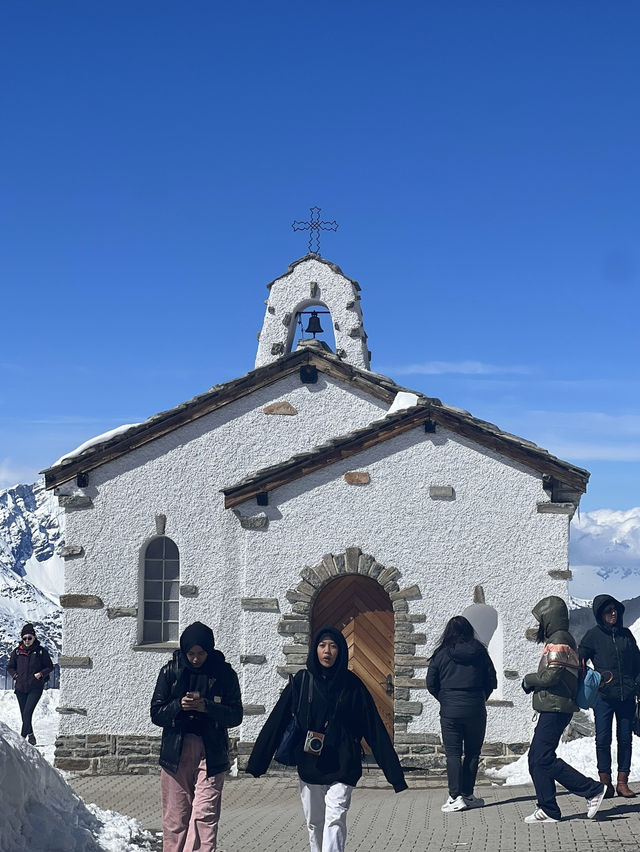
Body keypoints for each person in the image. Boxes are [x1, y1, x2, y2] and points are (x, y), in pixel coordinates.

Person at [246, 625, 407, 852]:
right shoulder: (302, 681)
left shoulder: (352, 685)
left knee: (335, 818)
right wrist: (257, 763)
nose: (327, 651)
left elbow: (374, 729)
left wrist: (395, 776)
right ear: (315, 649)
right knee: (315, 823)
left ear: (341, 650)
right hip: (310, 763)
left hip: (344, 763)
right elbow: (277, 721)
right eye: (322, 645)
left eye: (333, 646)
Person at [150, 621, 243, 852]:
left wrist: (207, 707)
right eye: (191, 653)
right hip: (176, 750)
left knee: (204, 813)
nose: (195, 659)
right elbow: (156, 713)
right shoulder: (170, 671)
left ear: (209, 650)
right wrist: (178, 705)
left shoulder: (224, 674)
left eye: (201, 653)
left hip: (211, 750)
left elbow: (236, 715)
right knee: (176, 817)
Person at [522, 596, 605, 823]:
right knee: (537, 758)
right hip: (555, 706)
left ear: (550, 618)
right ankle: (548, 808)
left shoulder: (559, 639)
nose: (539, 625)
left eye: (541, 620)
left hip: (556, 707)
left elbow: (552, 675)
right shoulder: (561, 639)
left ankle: (592, 790)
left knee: (541, 757)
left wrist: (529, 680)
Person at [426, 615, 497, 812]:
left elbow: (431, 683)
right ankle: (468, 794)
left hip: (450, 711)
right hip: (476, 709)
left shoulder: (441, 653)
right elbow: (492, 680)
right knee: (473, 753)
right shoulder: (480, 652)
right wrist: (480, 698)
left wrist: (445, 698)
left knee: (453, 754)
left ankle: (455, 797)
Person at [578, 594, 640, 798]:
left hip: (627, 696)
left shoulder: (626, 635)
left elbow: (637, 662)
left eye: (615, 610)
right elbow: (580, 660)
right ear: (600, 614)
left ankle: (622, 783)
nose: (613, 613)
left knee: (625, 740)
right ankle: (605, 784)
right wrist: (592, 678)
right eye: (608, 611)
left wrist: (637, 684)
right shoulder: (593, 636)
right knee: (603, 740)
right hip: (603, 697)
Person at [7, 623, 53, 745]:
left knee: (27, 713)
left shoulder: (41, 652)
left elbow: (50, 666)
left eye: (29, 638)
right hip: (20, 688)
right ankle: (31, 735)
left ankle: (21, 740)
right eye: (24, 638)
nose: (27, 640)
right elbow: (10, 667)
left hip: (35, 688)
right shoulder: (17, 652)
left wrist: (41, 674)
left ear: (34, 638)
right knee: (24, 715)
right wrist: (15, 675)